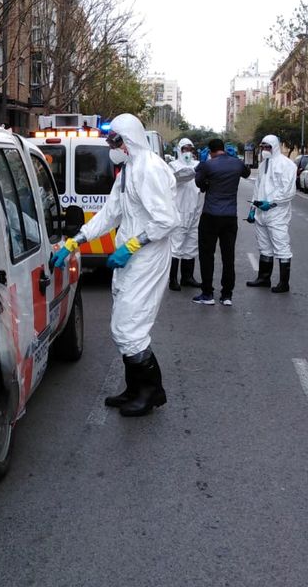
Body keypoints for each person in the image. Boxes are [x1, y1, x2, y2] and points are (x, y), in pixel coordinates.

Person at [50, 113, 178, 417]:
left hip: (147, 257)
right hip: (130, 257)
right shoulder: (129, 171)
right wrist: (75, 241)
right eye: (110, 140)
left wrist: (133, 245)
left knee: (130, 327)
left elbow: (168, 220)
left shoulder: (149, 169)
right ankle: (135, 389)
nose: (111, 146)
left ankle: (150, 392)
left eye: (115, 140)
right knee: (123, 326)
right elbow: (110, 214)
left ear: (130, 139)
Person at [192, 138, 251, 307]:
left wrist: (203, 168)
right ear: (225, 149)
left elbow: (199, 183)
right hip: (230, 217)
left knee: (207, 255)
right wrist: (236, 161)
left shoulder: (208, 165)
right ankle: (227, 295)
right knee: (228, 256)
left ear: (210, 151)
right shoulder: (236, 163)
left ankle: (207, 293)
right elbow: (246, 173)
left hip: (210, 215)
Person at [246, 134, 297, 292]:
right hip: (262, 212)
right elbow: (258, 188)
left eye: (267, 147)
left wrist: (273, 202)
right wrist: (253, 208)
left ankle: (284, 283)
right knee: (264, 247)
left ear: (275, 147)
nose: (264, 150)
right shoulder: (263, 165)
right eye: (262, 147)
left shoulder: (287, 165)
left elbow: (288, 191)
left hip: (277, 214)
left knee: (281, 246)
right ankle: (264, 278)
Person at [167, 138, 203, 290]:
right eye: (184, 149)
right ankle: (173, 279)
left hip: (195, 210)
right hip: (179, 210)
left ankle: (187, 277)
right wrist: (192, 172)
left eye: (190, 149)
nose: (187, 152)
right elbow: (176, 179)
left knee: (191, 244)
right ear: (179, 150)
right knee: (176, 245)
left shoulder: (198, 165)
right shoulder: (172, 166)